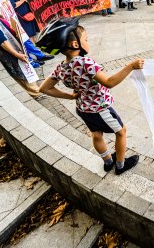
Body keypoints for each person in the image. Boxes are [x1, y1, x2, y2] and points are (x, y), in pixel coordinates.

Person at [38, 18, 144, 175]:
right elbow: (109, 82)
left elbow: (43, 88)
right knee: (121, 132)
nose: (88, 42)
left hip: (82, 109)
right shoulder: (85, 62)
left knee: (96, 134)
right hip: (100, 109)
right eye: (85, 39)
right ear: (75, 45)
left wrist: (71, 96)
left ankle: (108, 162)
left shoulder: (61, 68)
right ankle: (120, 165)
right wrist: (130, 66)